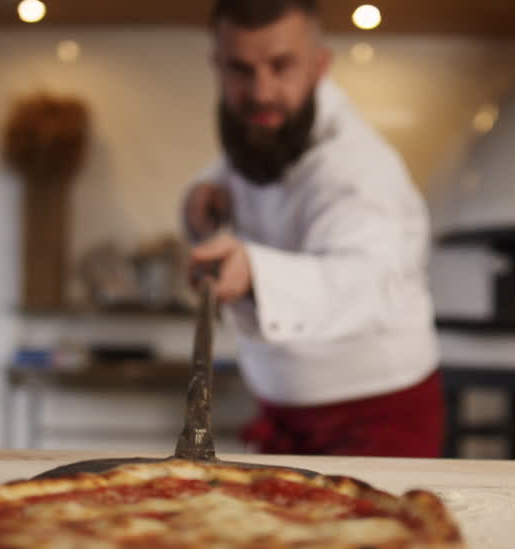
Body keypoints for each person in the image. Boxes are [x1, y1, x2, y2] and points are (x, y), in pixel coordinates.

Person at [182, 0, 443, 458]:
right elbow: (235, 169)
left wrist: (254, 274)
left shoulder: (358, 167)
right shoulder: (264, 126)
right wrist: (199, 197)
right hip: (279, 406)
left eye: (281, 66)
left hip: (377, 412)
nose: (261, 91)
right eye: (240, 70)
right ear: (217, 67)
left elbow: (365, 281)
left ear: (320, 65)